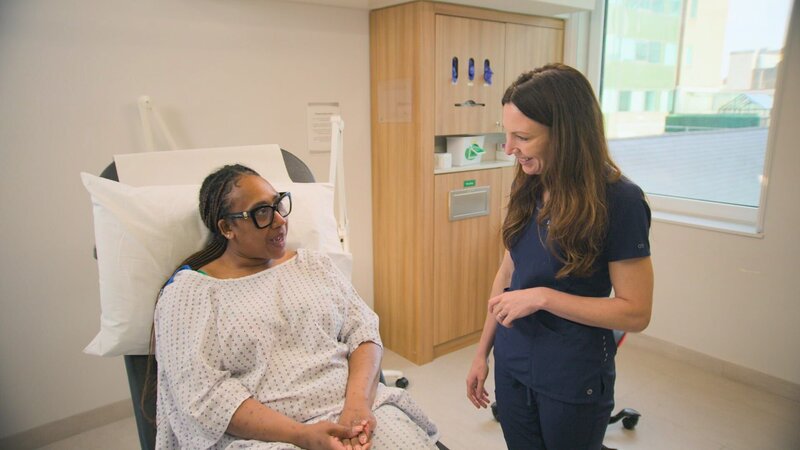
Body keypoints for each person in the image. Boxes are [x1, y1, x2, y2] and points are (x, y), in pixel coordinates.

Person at [154, 164, 438, 449]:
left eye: (278, 204)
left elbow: (363, 331)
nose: (279, 220)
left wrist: (357, 408)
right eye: (261, 212)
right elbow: (205, 394)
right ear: (227, 228)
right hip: (264, 438)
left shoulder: (314, 265)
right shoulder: (190, 294)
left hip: (354, 412)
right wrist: (302, 435)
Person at [465, 64, 654, 449]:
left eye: (522, 137)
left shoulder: (620, 201)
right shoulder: (529, 184)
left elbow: (636, 313)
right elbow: (507, 272)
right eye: (507, 134)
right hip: (513, 363)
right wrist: (482, 352)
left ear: (566, 135)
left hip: (571, 375)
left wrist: (543, 298)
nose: (509, 149)